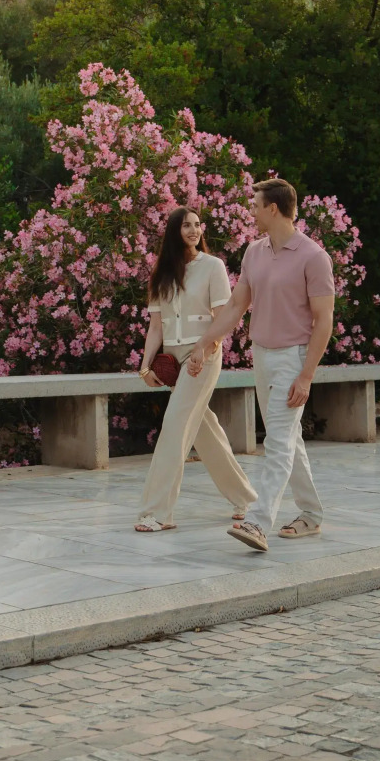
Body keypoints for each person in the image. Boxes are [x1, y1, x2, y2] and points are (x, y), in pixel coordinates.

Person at [186, 178, 334, 553]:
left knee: (279, 441)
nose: (250, 211)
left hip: (293, 358)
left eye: (255, 205)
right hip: (263, 355)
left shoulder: (313, 257)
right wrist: (204, 343)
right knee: (289, 440)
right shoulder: (254, 252)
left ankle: (258, 522)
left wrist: (306, 375)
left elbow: (324, 320)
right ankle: (312, 514)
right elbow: (236, 306)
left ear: (273, 209)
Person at [134, 207, 257, 532]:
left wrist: (205, 349)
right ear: (174, 232)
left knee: (174, 425)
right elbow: (156, 327)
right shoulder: (161, 273)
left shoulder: (213, 266)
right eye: (186, 225)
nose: (193, 230)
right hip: (175, 362)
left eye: (197, 224)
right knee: (205, 430)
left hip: (204, 355)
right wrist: (145, 366)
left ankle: (158, 512)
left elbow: (224, 317)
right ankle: (244, 496)